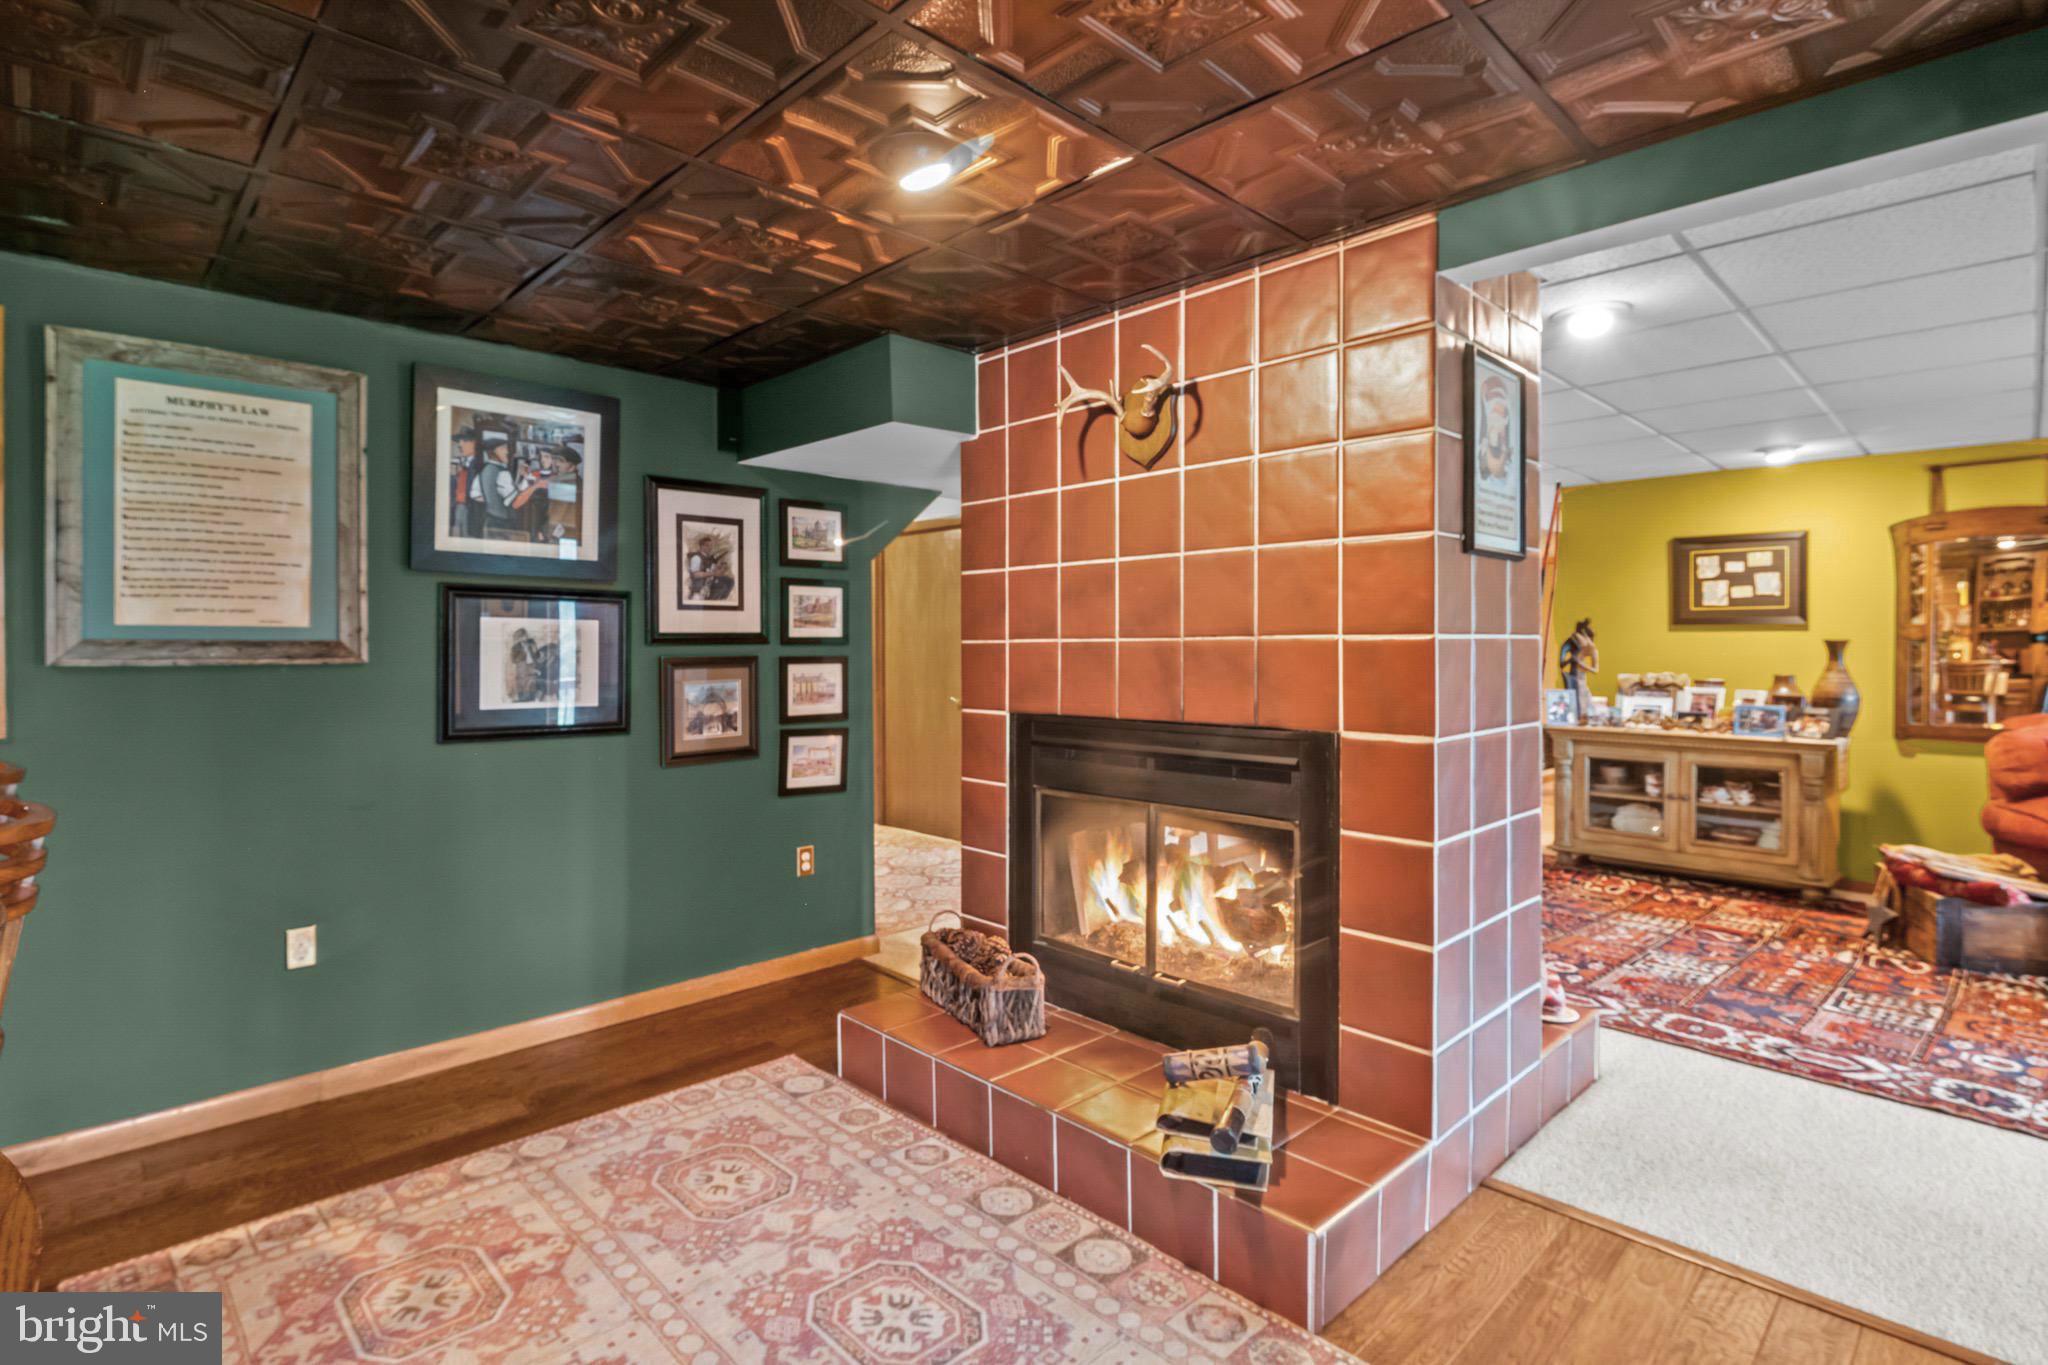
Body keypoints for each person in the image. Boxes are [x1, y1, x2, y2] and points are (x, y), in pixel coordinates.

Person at [476, 434, 519, 539]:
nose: (507, 452)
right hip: (504, 523)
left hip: (489, 519)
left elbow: (475, 494)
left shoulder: (484, 470)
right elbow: (512, 501)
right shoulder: (502, 473)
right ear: (493, 452)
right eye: (503, 448)